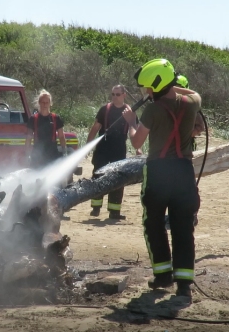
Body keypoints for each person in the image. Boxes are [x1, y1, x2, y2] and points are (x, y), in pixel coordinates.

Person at [122, 58, 201, 302]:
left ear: (157, 86)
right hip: (184, 171)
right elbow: (192, 92)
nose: (146, 92)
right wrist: (165, 87)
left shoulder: (152, 109)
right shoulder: (192, 103)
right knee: (183, 228)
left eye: (148, 87)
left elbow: (137, 142)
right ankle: (184, 283)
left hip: (158, 172)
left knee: (154, 225)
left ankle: (163, 276)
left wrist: (130, 123)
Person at [86, 85, 137, 220]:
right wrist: (88, 145)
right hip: (103, 148)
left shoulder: (129, 111)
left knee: (118, 178)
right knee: (98, 175)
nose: (115, 97)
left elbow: (133, 129)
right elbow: (95, 128)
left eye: (118, 94)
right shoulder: (105, 109)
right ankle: (96, 207)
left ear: (124, 95)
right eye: (113, 94)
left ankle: (114, 211)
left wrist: (138, 148)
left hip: (119, 148)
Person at [165, 74, 204, 228]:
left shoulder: (190, 106)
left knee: (187, 187)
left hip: (184, 153)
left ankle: (191, 215)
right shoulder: (168, 103)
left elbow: (199, 127)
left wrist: (186, 134)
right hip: (169, 153)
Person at [25, 89, 67, 170]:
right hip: (37, 156)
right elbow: (28, 138)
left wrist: (64, 152)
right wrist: (27, 155)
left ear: (50, 103)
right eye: (43, 102)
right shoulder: (33, 119)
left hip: (52, 155)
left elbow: (61, 136)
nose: (45, 105)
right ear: (39, 103)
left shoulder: (56, 118)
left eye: (47, 102)